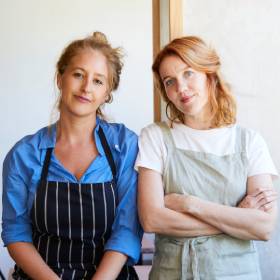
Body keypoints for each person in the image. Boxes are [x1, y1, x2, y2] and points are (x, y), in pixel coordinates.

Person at [2, 31, 142, 280]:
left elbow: (127, 229)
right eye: (78, 75)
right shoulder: (24, 154)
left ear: (107, 92)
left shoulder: (124, 146)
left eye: (98, 81)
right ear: (60, 78)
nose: (86, 87)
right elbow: (16, 232)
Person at [136, 36, 278, 279]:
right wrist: (237, 220)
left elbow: (263, 227)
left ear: (209, 75)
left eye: (188, 73)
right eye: (170, 81)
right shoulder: (155, 137)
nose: (181, 88)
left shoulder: (249, 142)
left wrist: (189, 204)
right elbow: (152, 219)